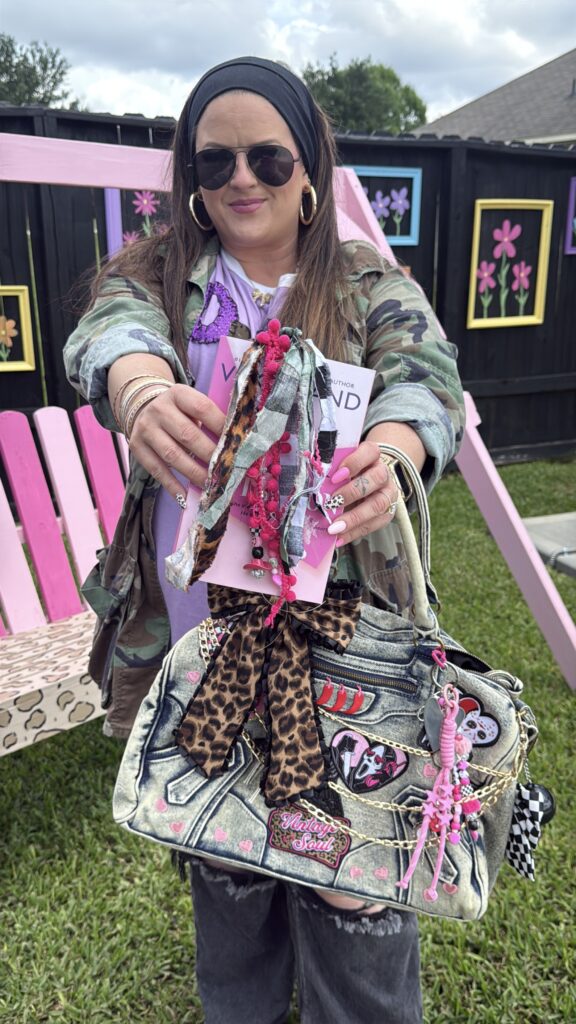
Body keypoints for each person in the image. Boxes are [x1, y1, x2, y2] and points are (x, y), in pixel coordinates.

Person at [64, 56, 465, 1024]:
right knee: (226, 844)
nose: (241, 178)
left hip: (339, 637)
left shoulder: (367, 279)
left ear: (309, 171)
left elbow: (427, 375)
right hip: (200, 634)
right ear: (192, 181)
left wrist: (393, 448)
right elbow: (107, 334)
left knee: (350, 860)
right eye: (215, 162)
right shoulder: (154, 275)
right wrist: (140, 390)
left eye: (268, 157)